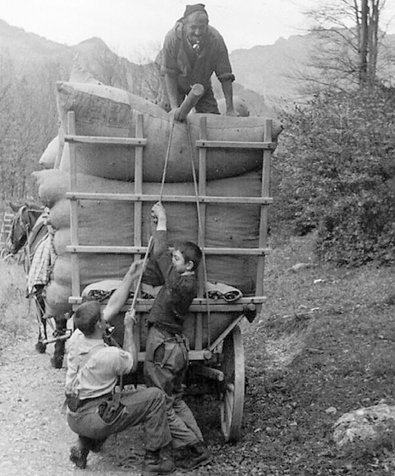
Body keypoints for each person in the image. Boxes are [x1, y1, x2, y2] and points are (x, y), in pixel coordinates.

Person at [65, 260, 174, 476]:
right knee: (154, 397)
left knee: (100, 398)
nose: (106, 315)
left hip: (73, 415)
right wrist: (129, 328)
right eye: (102, 316)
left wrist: (130, 277)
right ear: (98, 324)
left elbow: (113, 304)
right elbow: (131, 362)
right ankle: (154, 459)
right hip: (96, 419)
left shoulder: (77, 336)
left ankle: (82, 446)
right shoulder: (109, 356)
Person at [143, 202, 211, 471]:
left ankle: (193, 447)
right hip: (176, 347)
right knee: (176, 400)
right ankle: (199, 447)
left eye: (177, 259)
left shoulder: (178, 282)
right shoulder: (188, 281)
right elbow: (164, 257)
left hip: (163, 345)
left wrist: (162, 221)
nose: (172, 261)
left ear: (189, 265)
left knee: (161, 403)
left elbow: (159, 252)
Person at [156, 3, 235, 119]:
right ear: (184, 25)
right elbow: (169, 73)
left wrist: (230, 109)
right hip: (174, 85)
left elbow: (225, 76)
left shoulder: (216, 40)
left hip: (201, 85)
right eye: (193, 27)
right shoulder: (172, 38)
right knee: (166, 119)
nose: (198, 32)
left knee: (211, 121)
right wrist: (174, 107)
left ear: (207, 26)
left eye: (201, 27)